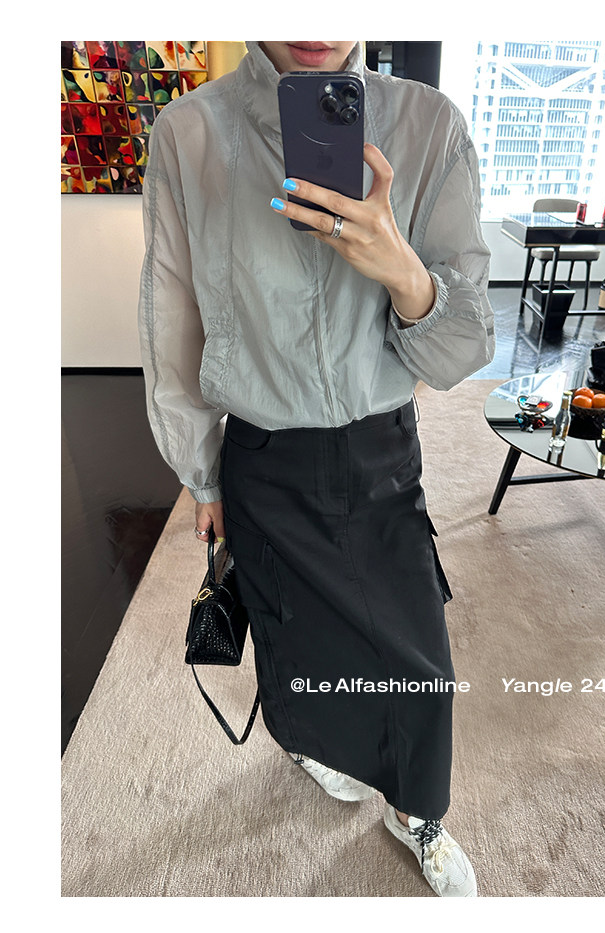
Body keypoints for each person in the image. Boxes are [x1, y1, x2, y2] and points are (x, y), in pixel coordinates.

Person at [138, 40, 494, 898]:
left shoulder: (429, 125)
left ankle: (418, 810)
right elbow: (172, 314)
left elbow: (462, 346)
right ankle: (315, 745)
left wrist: (401, 268)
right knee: (293, 640)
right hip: (264, 457)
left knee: (419, 665)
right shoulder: (189, 133)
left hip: (381, 450)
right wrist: (200, 471)